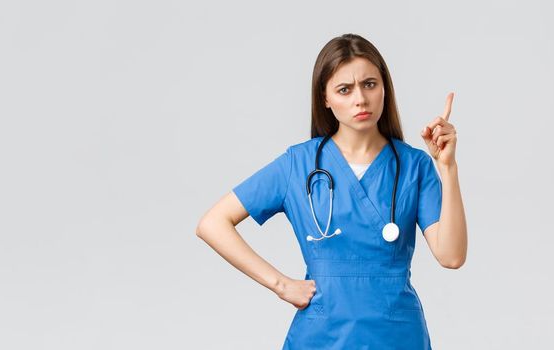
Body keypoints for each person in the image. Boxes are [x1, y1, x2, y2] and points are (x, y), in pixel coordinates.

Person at [195, 33, 468, 349]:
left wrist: (447, 167)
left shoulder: (414, 165)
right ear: (325, 98)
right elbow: (212, 224)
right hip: (321, 336)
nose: (360, 99)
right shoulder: (298, 165)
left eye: (369, 84)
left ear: (384, 89)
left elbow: (452, 256)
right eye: (344, 89)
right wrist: (281, 284)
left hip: (397, 335)